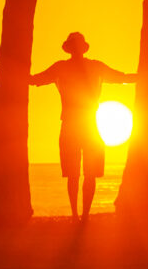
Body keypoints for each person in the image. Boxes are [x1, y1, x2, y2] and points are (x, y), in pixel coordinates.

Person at [29, 32, 136, 219]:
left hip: (89, 125)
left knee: (89, 173)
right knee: (74, 174)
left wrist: (144, 76)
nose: (77, 49)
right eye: (74, 45)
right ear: (70, 49)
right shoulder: (62, 68)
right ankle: (76, 213)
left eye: (78, 45)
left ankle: (83, 214)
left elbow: (122, 77)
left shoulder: (92, 67)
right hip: (74, 125)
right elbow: (35, 80)